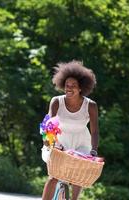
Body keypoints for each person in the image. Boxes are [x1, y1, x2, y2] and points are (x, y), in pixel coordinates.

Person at [41, 60, 99, 200]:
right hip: (59, 140)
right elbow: (49, 126)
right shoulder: (56, 101)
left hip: (81, 141)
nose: (69, 88)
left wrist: (94, 150)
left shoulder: (90, 105)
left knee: (78, 175)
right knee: (54, 176)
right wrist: (51, 143)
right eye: (67, 85)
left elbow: (95, 131)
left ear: (81, 88)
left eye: (73, 86)